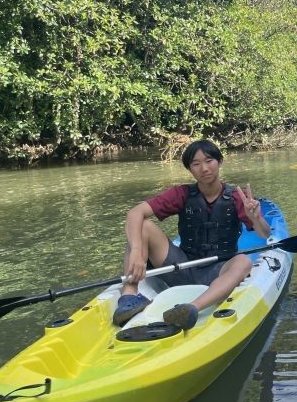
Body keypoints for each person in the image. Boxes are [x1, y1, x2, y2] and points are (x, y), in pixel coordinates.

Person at [112, 139, 272, 330]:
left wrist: (255, 217)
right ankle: (129, 297)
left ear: (219, 162)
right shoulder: (181, 194)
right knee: (142, 226)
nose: (204, 168)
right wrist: (137, 251)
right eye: (196, 164)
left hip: (218, 271)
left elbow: (264, 234)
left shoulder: (237, 198)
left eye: (209, 161)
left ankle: (190, 308)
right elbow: (134, 213)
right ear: (190, 169)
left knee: (244, 261)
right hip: (181, 267)